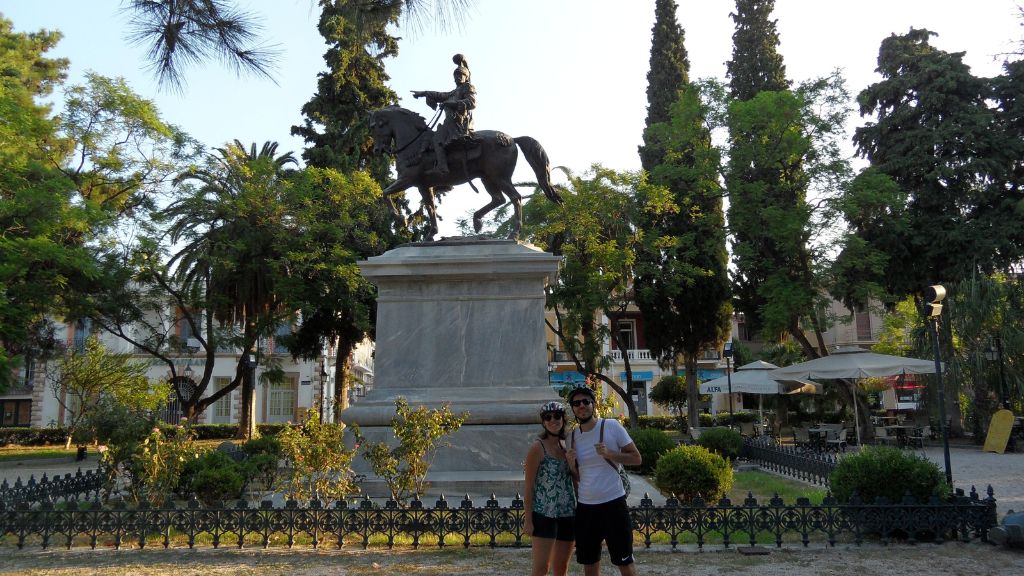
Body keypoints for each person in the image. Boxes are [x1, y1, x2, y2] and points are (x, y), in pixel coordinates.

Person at [564, 383, 641, 576]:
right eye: (576, 403)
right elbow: (578, 477)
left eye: (585, 401)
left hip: (613, 504)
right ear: (572, 408)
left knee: (625, 562)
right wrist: (572, 467)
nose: (581, 406)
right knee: (589, 564)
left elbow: (636, 458)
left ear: (594, 404)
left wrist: (610, 454)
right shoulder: (571, 438)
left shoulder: (611, 426)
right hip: (586, 508)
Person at [523, 401, 577, 576]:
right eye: (548, 417)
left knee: (561, 568)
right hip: (544, 514)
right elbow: (529, 486)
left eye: (557, 416)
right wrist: (528, 520)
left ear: (563, 419)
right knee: (541, 568)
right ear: (543, 422)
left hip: (567, 513)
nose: (553, 420)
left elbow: (575, 480)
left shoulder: (566, 446)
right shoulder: (537, 448)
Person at [411, 53, 477, 175]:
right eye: (456, 75)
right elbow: (439, 95)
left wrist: (452, 104)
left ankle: (442, 167)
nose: (458, 77)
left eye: (461, 75)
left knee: (437, 139)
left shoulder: (467, 87)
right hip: (449, 122)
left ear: (465, 77)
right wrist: (423, 93)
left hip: (458, 122)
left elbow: (471, 102)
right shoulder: (453, 92)